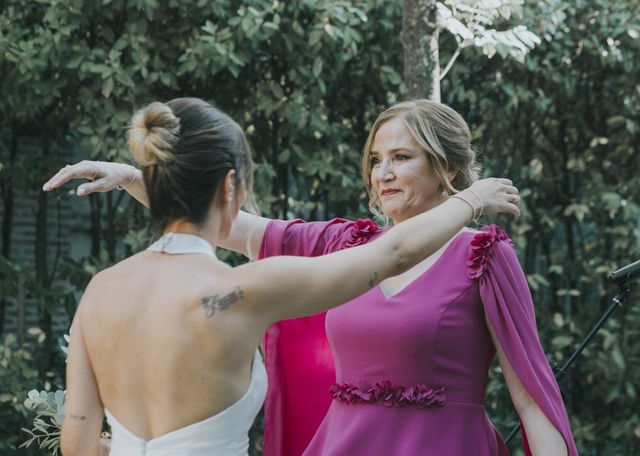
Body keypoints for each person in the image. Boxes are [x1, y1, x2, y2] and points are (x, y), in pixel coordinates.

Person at [54, 97, 520, 456]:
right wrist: (473, 200)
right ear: (230, 185)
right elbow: (394, 252)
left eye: (400, 158)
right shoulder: (248, 287)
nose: (383, 174)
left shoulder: (100, 291)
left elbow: (77, 444)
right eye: (377, 160)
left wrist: (142, 179)